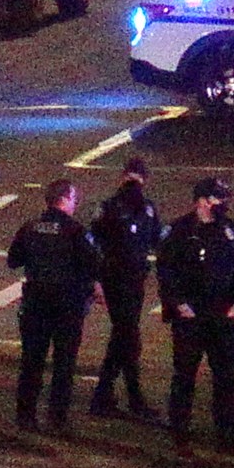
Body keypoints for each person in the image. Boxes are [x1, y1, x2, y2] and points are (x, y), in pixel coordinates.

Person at [157, 178, 234, 456]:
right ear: (202, 201)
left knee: (225, 377)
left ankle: (227, 435)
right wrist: (178, 305)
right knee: (185, 376)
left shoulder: (230, 230)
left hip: (223, 314)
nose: (222, 204)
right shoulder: (179, 231)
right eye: (217, 199)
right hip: (191, 316)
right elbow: (166, 272)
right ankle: (180, 433)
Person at [9, 179, 100, 434]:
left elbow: (13, 260)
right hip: (66, 305)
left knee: (31, 360)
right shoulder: (75, 231)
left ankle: (25, 415)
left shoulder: (30, 227)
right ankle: (57, 417)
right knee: (64, 362)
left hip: (36, 302)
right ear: (65, 198)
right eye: (73, 197)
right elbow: (93, 264)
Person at [88, 158, 163, 419]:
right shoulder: (141, 208)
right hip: (123, 279)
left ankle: (109, 394)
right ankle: (123, 396)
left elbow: (93, 241)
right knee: (127, 337)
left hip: (123, 279)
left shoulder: (113, 207)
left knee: (125, 336)